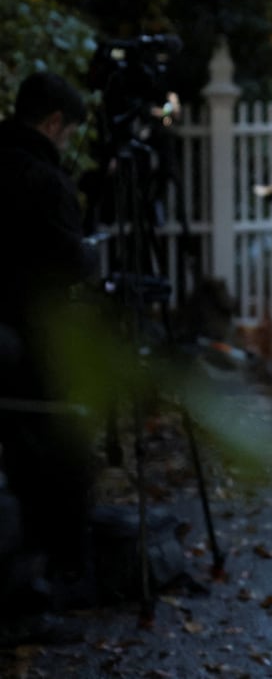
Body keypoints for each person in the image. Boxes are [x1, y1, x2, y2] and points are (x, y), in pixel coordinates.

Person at [0, 72, 97, 614]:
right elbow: (69, 260)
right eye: (67, 133)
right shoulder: (44, 181)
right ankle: (59, 577)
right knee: (61, 453)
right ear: (54, 123)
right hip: (37, 338)